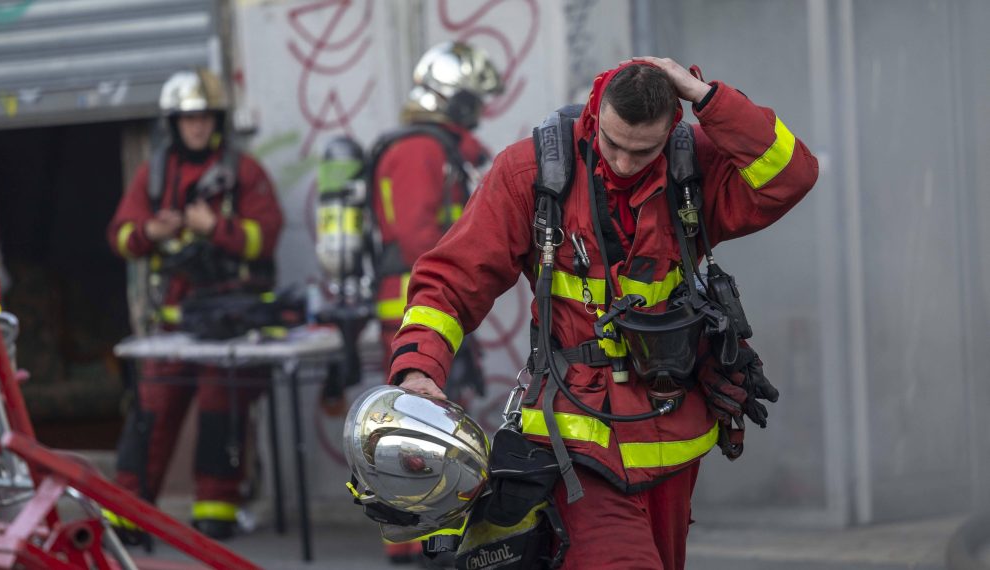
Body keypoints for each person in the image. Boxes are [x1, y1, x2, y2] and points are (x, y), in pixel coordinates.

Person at [385, 57, 819, 569]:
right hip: (575, 440)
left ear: (671, 129)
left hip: (672, 440)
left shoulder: (693, 169)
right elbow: (452, 281)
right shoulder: (531, 174)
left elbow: (790, 175)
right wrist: (418, 371)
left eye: (644, 150)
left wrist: (706, 96)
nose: (626, 163)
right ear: (594, 116)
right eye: (613, 144)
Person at [106, 68, 283, 540]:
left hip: (228, 325)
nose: (198, 126)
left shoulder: (244, 172)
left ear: (217, 121)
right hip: (171, 327)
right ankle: (128, 515)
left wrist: (215, 228)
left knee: (219, 413)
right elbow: (119, 236)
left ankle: (215, 512)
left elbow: (266, 237)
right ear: (174, 124)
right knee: (149, 415)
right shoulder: (154, 174)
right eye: (189, 119)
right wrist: (150, 231)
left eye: (205, 117)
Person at [368, 41, 503, 564]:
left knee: (431, 422)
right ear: (453, 99)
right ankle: (408, 536)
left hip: (427, 302)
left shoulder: (437, 147)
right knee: (413, 425)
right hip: (413, 305)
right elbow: (415, 236)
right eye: (473, 100)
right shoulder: (420, 150)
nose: (478, 112)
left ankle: (430, 528)